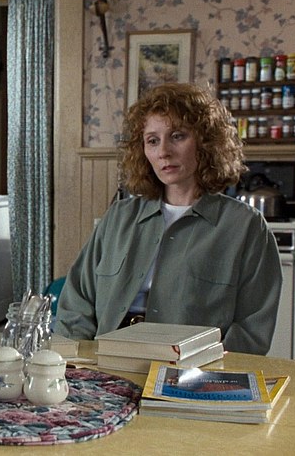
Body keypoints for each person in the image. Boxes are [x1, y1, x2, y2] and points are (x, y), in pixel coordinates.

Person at [56, 82, 282, 355]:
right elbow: (76, 302)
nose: (164, 151)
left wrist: (204, 367)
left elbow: (252, 329)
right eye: (152, 140)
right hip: (106, 358)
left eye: (177, 136)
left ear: (206, 143)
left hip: (192, 367)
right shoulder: (119, 217)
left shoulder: (245, 226)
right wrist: (80, 361)